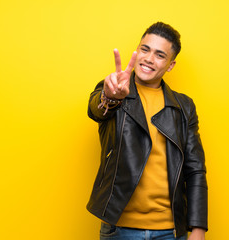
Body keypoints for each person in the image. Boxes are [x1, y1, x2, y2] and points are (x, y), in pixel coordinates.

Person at [87, 22, 208, 240]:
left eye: (160, 55)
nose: (149, 59)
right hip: (120, 230)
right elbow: (97, 108)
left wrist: (198, 228)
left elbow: (195, 169)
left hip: (171, 231)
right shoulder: (115, 89)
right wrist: (111, 96)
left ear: (170, 65)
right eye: (145, 49)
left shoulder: (183, 106)